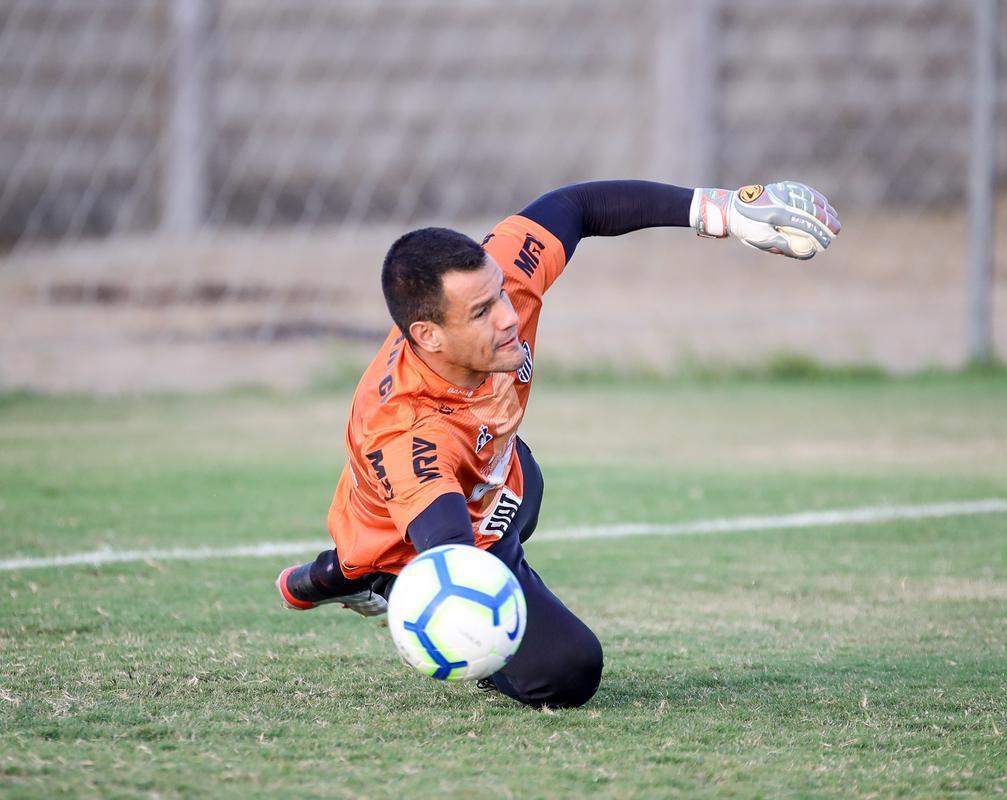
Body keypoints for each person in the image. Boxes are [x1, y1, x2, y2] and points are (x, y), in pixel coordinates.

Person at [275, 180, 840, 708]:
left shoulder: (495, 290)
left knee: (530, 478)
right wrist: (456, 616)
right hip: (421, 542)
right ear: (428, 335)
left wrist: (719, 209)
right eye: (481, 312)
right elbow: (452, 555)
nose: (508, 317)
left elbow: (575, 207)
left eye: (500, 295)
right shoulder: (406, 433)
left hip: (490, 480)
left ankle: (339, 572)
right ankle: (377, 578)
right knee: (569, 670)